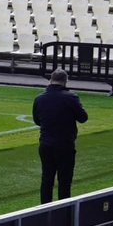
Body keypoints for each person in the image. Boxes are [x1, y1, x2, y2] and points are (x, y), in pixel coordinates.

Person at [33, 69, 88, 202]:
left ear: (50, 80)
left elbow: (37, 120)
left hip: (46, 143)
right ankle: (64, 209)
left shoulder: (40, 98)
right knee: (64, 180)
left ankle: (44, 208)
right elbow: (83, 118)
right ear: (65, 81)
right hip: (65, 144)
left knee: (46, 178)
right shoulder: (71, 97)